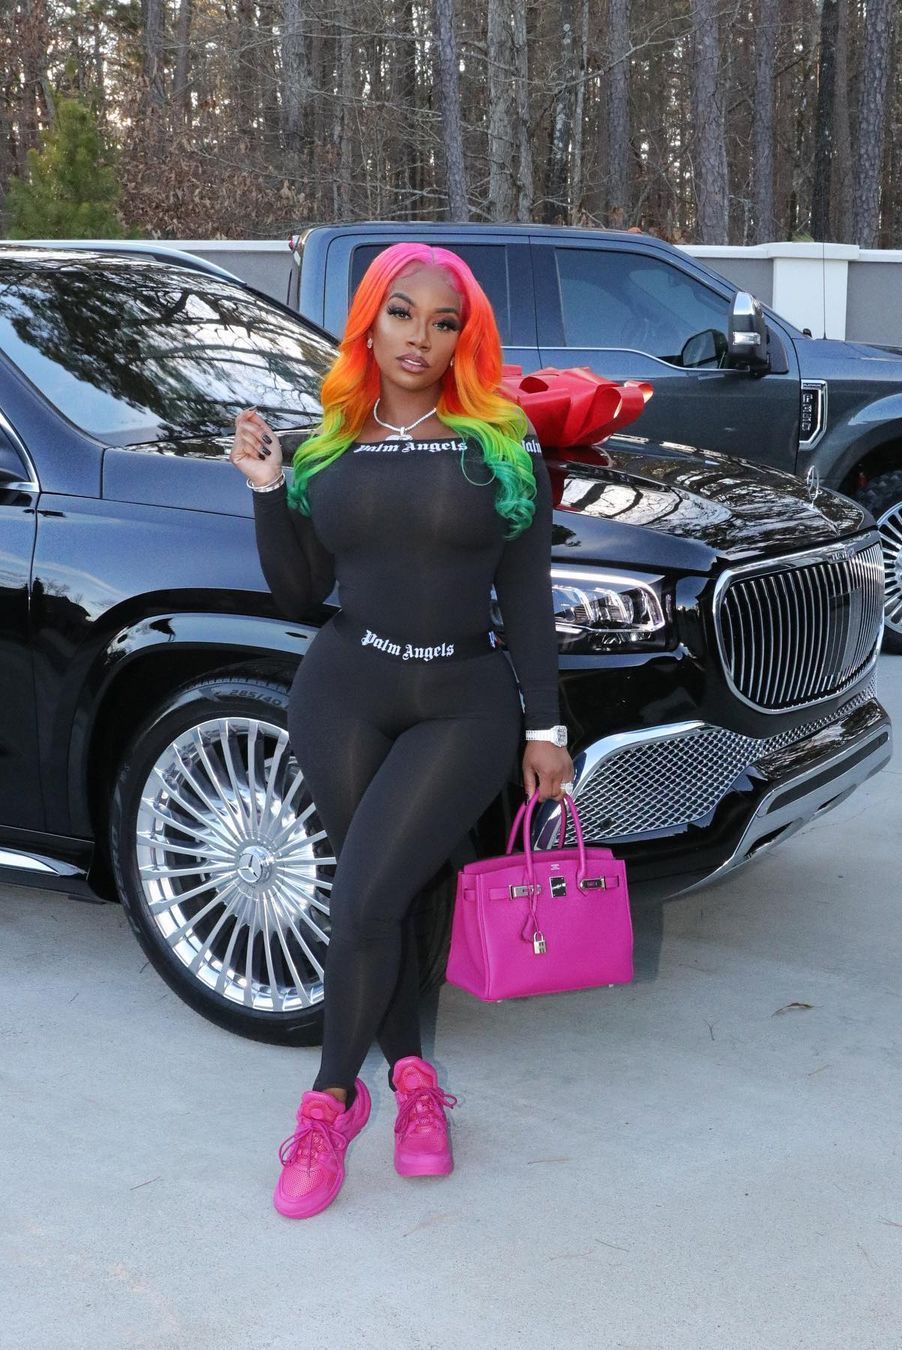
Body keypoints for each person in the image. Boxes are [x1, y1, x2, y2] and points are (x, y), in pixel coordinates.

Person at [229, 242, 574, 1220]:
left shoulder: (498, 443)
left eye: (443, 321)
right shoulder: (328, 444)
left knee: (365, 898)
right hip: (343, 690)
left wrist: (545, 726)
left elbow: (528, 596)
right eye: (402, 313)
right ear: (369, 323)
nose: (420, 336)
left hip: (462, 704)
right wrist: (266, 487)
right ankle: (412, 1078)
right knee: (383, 895)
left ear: (464, 339)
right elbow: (299, 593)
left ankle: (328, 1101)